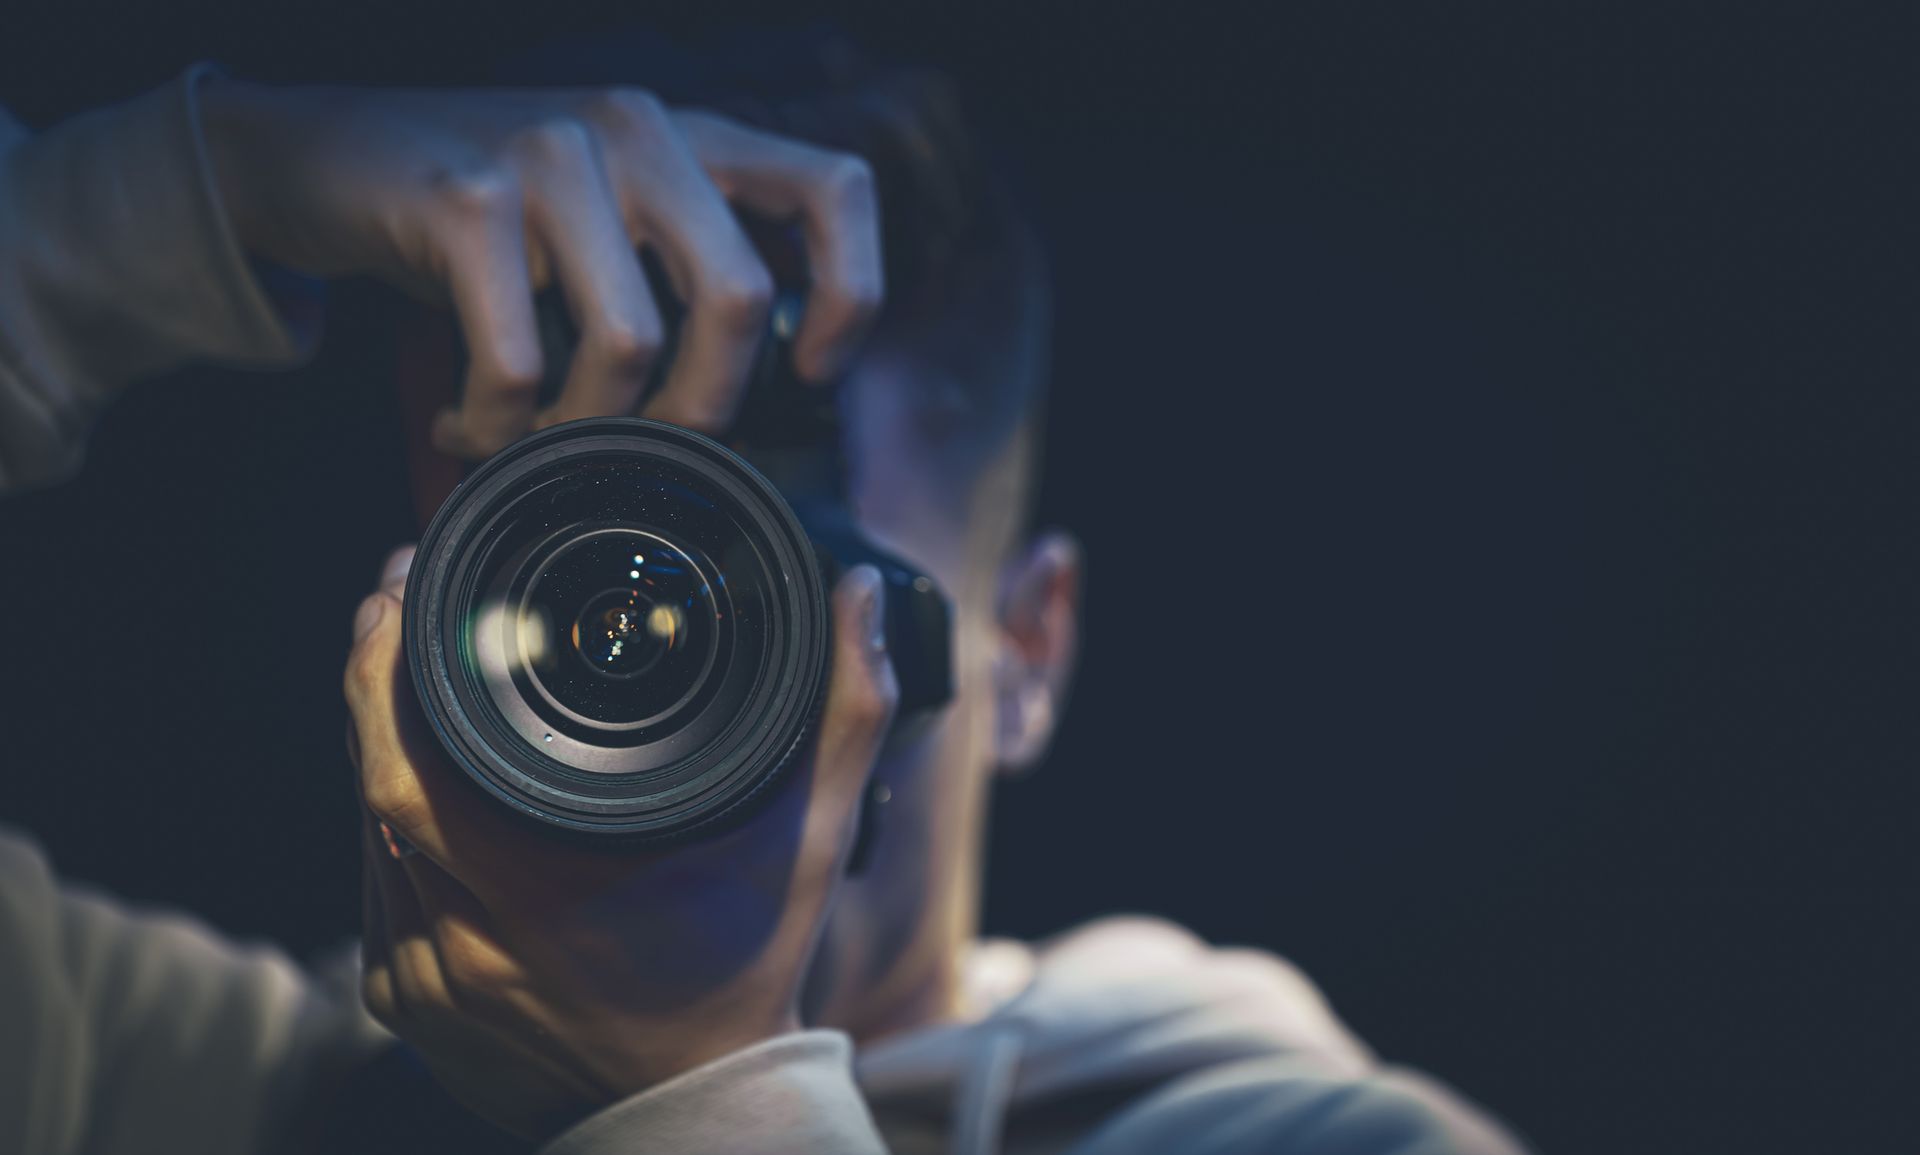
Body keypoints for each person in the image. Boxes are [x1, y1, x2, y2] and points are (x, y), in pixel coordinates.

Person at [0, 48, 1531, 1155]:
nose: (654, 656)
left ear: (1023, 652)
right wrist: (193, 186)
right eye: (573, 555)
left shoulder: (1320, 1137)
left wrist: (693, 1101)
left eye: (774, 565)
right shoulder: (233, 1098)